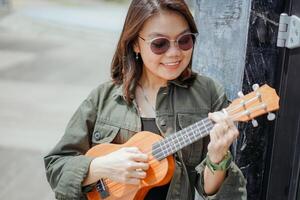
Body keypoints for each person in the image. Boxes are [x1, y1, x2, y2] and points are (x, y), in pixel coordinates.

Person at [44, 0, 247, 199]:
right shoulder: (104, 97)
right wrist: (102, 167)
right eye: (160, 44)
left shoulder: (209, 93)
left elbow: (214, 191)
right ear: (135, 44)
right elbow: (57, 166)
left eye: (184, 40)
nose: (175, 52)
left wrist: (217, 158)